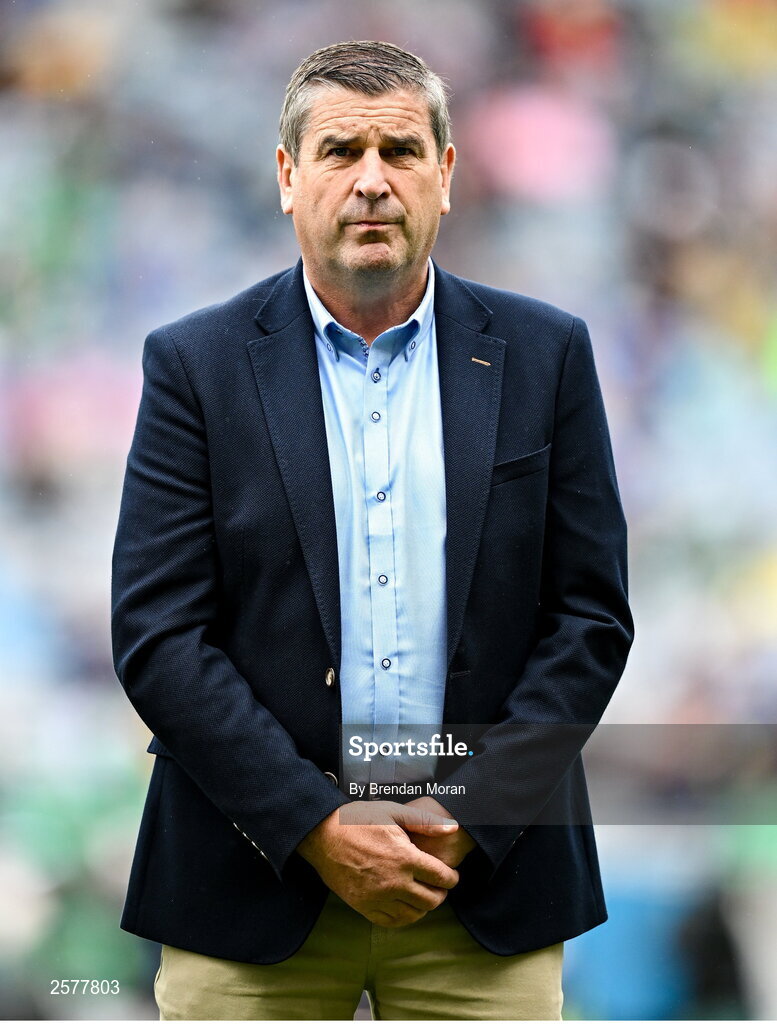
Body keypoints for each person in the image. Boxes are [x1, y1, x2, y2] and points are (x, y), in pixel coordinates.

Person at [111, 39, 634, 1021]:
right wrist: (312, 822)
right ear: (286, 175)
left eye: (399, 150)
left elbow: (590, 619)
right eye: (340, 149)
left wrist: (465, 816)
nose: (370, 181)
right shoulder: (195, 366)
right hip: (247, 887)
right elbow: (158, 636)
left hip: (484, 891)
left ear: (445, 172)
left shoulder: (546, 355)